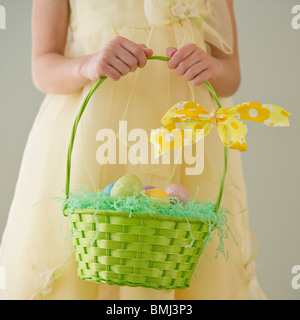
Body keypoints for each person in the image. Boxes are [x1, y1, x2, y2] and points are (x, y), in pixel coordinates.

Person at [0, 0, 267, 300]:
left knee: (178, 255)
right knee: (90, 249)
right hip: (96, 132)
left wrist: (214, 67)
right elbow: (43, 66)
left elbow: (231, 74)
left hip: (186, 133)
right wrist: (87, 64)